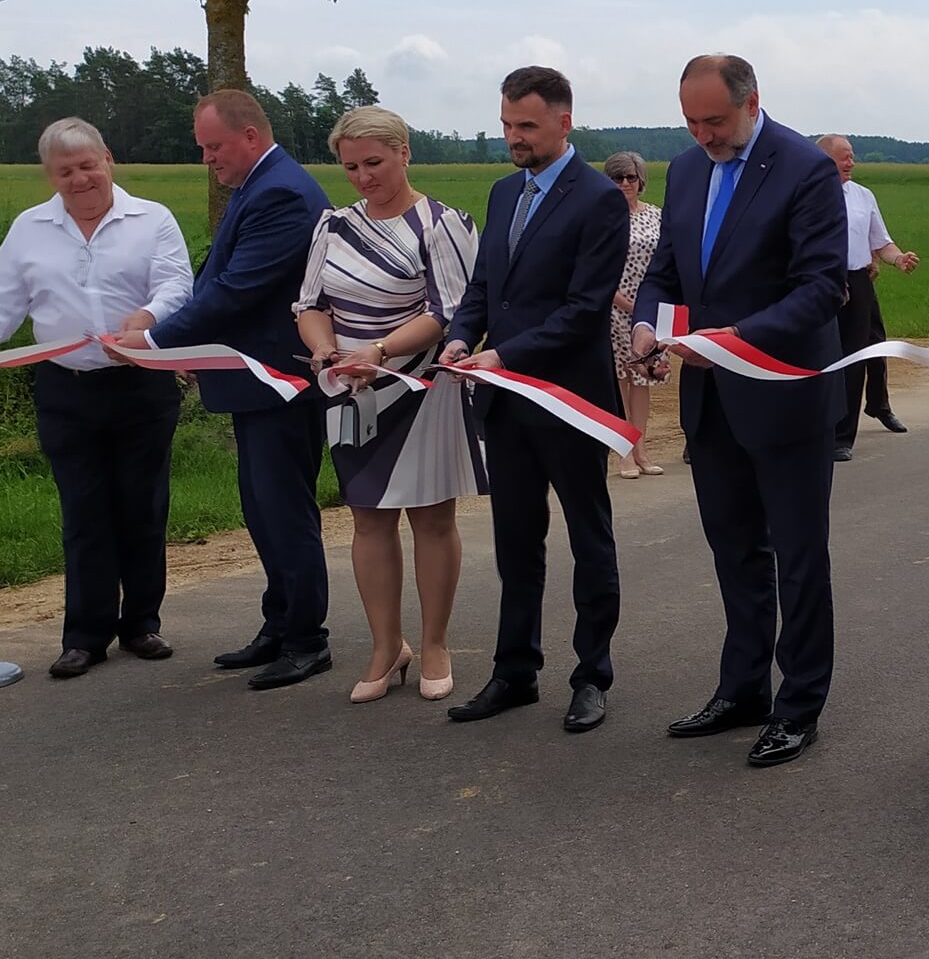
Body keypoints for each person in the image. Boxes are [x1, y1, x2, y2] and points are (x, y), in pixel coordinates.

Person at [631, 54, 846, 767]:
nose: (704, 135)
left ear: (753, 102)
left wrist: (735, 339)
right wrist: (648, 325)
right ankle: (744, 687)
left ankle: (800, 704)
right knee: (734, 550)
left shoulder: (805, 170)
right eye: (691, 123)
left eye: (715, 121)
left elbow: (822, 288)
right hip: (712, 400)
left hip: (784, 392)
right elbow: (667, 269)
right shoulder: (685, 169)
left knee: (799, 556)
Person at [0, 117, 193, 679]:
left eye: (88, 165)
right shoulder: (30, 228)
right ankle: (84, 636)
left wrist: (147, 318)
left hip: (141, 384)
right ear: (49, 175)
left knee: (142, 506)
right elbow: (1, 301)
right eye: (65, 171)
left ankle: (142, 624)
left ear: (109, 160)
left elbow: (177, 285)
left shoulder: (153, 219)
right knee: (84, 512)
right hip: (66, 388)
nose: (80, 179)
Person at [109, 89, 335, 692]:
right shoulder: (260, 186)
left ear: (250, 136)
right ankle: (279, 624)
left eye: (213, 147)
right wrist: (180, 343)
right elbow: (219, 281)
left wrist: (156, 343)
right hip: (252, 383)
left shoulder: (282, 193)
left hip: (278, 382)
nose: (207, 159)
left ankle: (307, 639)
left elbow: (238, 289)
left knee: (284, 512)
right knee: (261, 509)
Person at [440, 66, 627, 734]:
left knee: (588, 538)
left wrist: (504, 354)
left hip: (569, 400)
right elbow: (484, 288)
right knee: (516, 543)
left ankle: (592, 675)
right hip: (505, 404)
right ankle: (515, 671)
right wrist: (461, 338)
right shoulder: (502, 193)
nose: (513, 137)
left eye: (526, 125)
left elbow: (584, 309)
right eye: (506, 125)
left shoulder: (599, 199)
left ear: (563, 122)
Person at [292, 105, 484, 705]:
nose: (363, 177)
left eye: (374, 162)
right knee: (367, 517)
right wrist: (324, 350)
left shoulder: (442, 224)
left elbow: (449, 311)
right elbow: (310, 304)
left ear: (404, 152)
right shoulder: (333, 225)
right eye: (351, 167)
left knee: (431, 518)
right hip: (350, 393)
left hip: (421, 388)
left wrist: (378, 350)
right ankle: (385, 646)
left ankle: (434, 645)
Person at [816, 134, 919, 461]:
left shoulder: (863, 196)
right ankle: (815, 425)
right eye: (844, 157)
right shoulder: (807, 195)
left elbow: (881, 242)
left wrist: (898, 258)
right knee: (819, 356)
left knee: (856, 355)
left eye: (852, 156)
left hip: (857, 280)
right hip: (820, 281)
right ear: (824, 161)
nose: (852, 162)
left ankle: (842, 436)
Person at [603, 150, 669, 479]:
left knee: (644, 378)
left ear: (641, 180)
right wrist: (626, 304)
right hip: (614, 309)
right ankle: (624, 452)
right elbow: (599, 271)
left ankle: (641, 448)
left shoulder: (656, 215)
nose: (625, 183)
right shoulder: (602, 219)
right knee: (620, 380)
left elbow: (668, 260)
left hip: (650, 312)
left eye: (631, 177)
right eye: (618, 178)